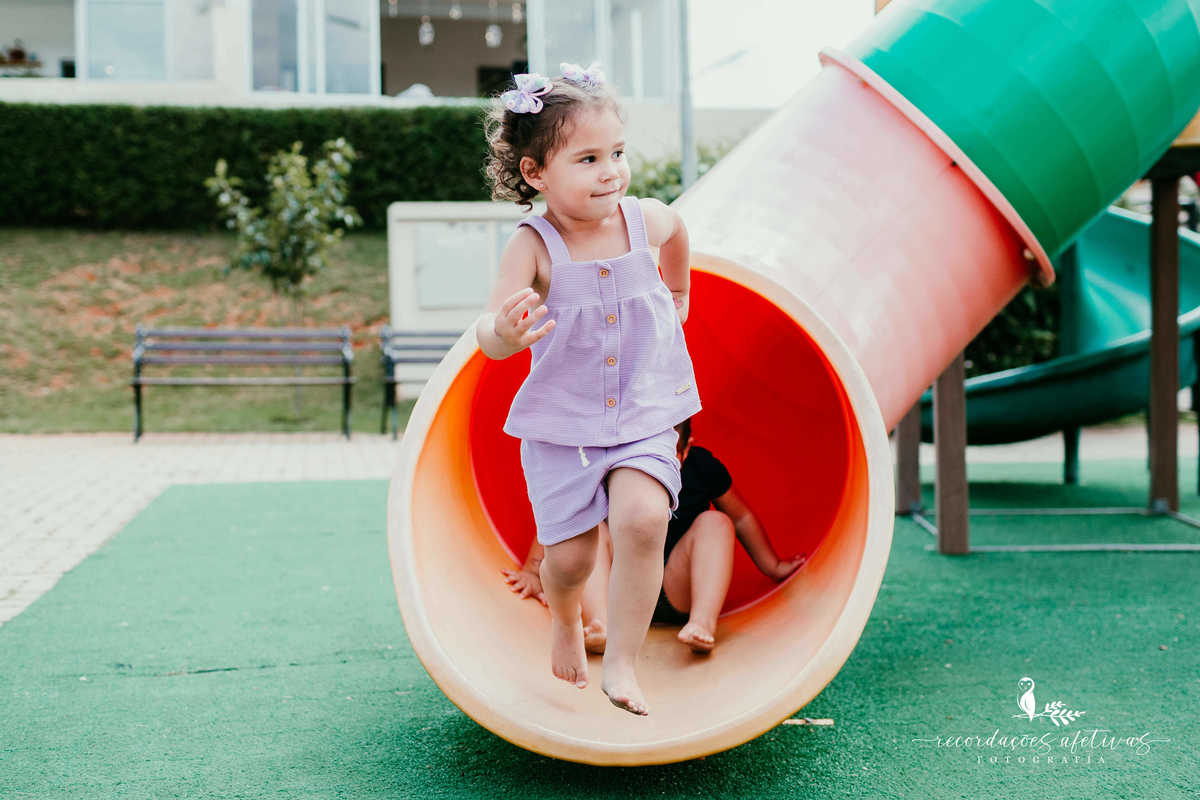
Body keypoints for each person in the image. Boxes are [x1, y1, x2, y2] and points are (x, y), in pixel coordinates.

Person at [477, 62, 699, 716]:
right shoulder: (533, 246)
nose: (611, 171)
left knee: (644, 516)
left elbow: (680, 231)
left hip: (643, 409)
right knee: (569, 561)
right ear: (535, 172)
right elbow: (489, 333)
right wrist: (506, 332)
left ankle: (625, 662)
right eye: (589, 159)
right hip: (562, 425)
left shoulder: (642, 221)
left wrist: (679, 290)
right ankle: (566, 615)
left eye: (618, 154)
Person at [503, 415, 806, 657]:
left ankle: (702, 623)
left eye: (666, 455)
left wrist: (772, 566)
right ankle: (600, 624)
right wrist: (533, 570)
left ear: (686, 449)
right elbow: (561, 514)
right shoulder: (606, 469)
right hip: (618, 592)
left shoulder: (702, 468)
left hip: (674, 588)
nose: (653, 468)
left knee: (717, 522)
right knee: (588, 523)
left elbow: (742, 518)